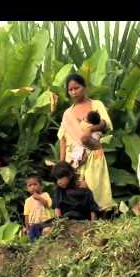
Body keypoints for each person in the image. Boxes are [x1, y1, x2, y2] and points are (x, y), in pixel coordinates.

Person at [58, 74, 114, 212]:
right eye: (70, 90)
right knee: (76, 190)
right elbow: (62, 139)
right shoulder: (67, 114)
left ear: (84, 87)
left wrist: (91, 129)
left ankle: (101, 218)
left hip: (93, 153)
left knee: (95, 188)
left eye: (76, 88)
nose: (74, 92)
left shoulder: (96, 104)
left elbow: (105, 124)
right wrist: (62, 165)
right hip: (72, 159)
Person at [23, 176, 53, 242]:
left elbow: (48, 205)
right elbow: (26, 215)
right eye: (30, 185)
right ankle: (36, 248)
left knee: (47, 231)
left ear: (41, 186)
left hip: (46, 222)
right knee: (33, 239)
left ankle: (46, 244)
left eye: (35, 184)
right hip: (33, 224)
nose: (32, 187)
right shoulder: (28, 200)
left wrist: (39, 198)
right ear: (27, 189)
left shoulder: (45, 195)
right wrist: (27, 228)